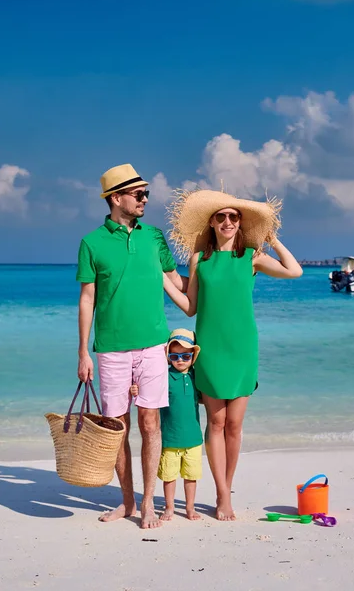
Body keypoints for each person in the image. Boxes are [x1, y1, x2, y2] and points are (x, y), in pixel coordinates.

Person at [163, 189, 302, 521]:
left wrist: (273, 239)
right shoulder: (200, 260)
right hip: (210, 348)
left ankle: (226, 489)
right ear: (212, 222)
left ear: (240, 223)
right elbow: (191, 307)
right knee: (216, 421)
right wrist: (163, 283)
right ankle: (222, 495)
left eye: (234, 217)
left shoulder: (252, 257)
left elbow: (294, 271)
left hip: (242, 349)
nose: (227, 221)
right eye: (221, 216)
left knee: (235, 426)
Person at [76, 163, 187, 529]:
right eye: (138, 194)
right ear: (116, 198)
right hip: (110, 349)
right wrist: (83, 352)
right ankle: (126, 501)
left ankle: (149, 503)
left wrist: (223, 266)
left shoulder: (154, 237)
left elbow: (177, 281)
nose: (144, 199)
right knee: (118, 426)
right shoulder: (92, 243)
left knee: (151, 422)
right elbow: (87, 298)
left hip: (154, 345)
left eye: (146, 194)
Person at [130, 328, 203, 521]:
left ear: (193, 356)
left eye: (185, 356)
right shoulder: (163, 376)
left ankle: (189, 508)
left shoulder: (197, 377)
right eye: (175, 355)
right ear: (168, 356)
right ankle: (169, 507)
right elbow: (147, 390)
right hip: (169, 438)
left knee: (191, 476)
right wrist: (136, 388)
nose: (180, 359)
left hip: (194, 438)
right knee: (169, 477)